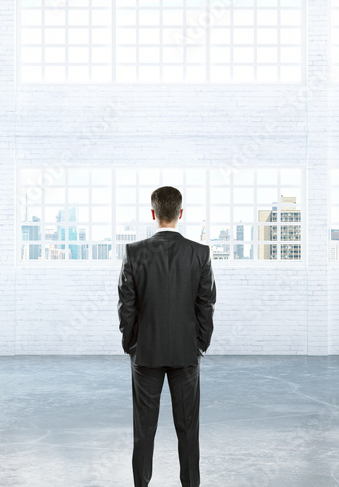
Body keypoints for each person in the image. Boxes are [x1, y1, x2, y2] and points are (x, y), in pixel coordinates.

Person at [117, 185, 217, 487]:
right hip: (186, 354)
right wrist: (199, 345)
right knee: (188, 429)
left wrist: (132, 345)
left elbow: (127, 306)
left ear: (153, 213)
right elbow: (206, 304)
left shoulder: (134, 252)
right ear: (180, 213)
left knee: (143, 430)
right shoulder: (199, 253)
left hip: (146, 353)